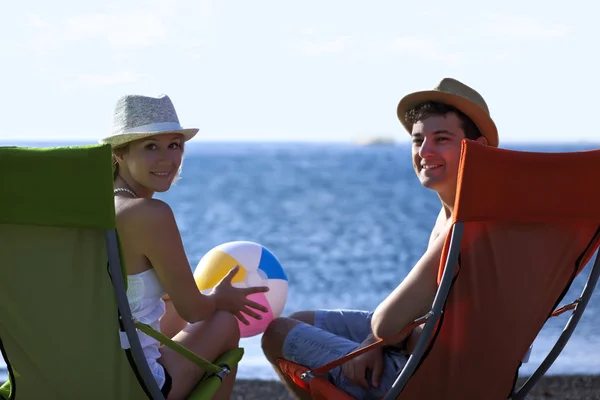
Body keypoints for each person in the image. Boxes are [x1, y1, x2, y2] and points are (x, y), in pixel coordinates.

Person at [261, 77, 499, 400]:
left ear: (479, 147)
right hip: (449, 359)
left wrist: (381, 339)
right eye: (418, 141)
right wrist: (380, 339)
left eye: (441, 139)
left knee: (277, 333)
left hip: (434, 380)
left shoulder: (469, 223)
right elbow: (428, 312)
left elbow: (389, 324)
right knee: (300, 322)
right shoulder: (475, 211)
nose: (425, 151)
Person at [100, 94, 269, 400]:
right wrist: (219, 297)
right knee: (222, 322)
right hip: (132, 384)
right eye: (151, 146)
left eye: (174, 145)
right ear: (119, 154)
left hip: (73, 372)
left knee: (171, 308)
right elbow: (195, 311)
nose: (167, 159)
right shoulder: (149, 214)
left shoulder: (90, 210)